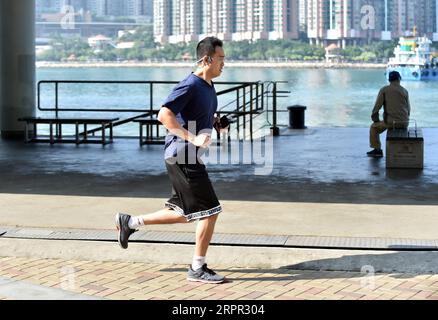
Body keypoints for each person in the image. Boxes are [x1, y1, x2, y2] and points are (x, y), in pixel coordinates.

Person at [115, 37, 227, 284]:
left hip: (186, 155)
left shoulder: (208, 86)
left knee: (185, 212)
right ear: (207, 59)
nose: (223, 64)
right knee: (210, 211)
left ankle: (130, 222)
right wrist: (193, 138)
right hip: (182, 154)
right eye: (220, 59)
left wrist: (217, 123)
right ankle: (197, 268)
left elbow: (200, 114)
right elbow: (164, 115)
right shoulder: (190, 84)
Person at [367, 71, 411, 157]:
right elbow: (408, 109)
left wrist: (376, 120)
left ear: (389, 80)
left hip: (391, 123)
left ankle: (377, 150)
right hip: (405, 123)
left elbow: (376, 108)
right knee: (387, 122)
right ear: (399, 79)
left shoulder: (384, 90)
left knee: (373, 127)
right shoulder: (405, 91)